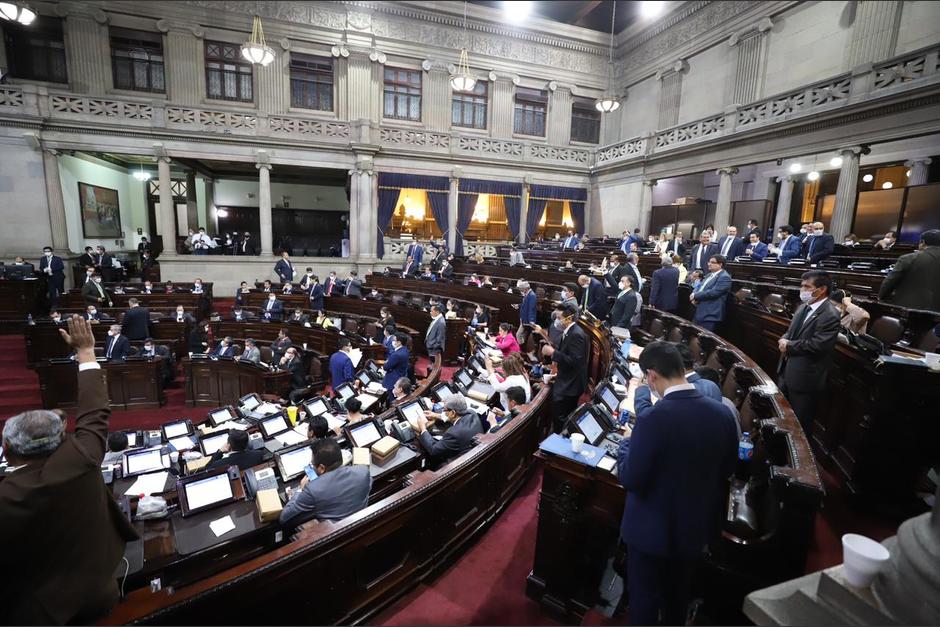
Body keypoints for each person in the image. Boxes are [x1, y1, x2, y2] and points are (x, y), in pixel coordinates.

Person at [0, 316, 138, 624]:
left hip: (41, 612)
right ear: (62, 437)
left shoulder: (8, 496)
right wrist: (86, 353)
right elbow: (94, 412)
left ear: (7, 450)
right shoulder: (81, 456)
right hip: (102, 588)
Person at [616, 341, 737, 626]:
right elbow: (728, 468)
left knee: (643, 601)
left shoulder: (653, 418)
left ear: (652, 375)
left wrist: (625, 446)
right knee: (677, 599)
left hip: (649, 531)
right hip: (693, 530)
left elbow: (632, 478)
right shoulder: (722, 413)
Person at [777, 270, 840, 437]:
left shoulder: (830, 314)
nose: (802, 289)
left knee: (799, 426)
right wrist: (784, 339)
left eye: (807, 286)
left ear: (822, 289)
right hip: (786, 371)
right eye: (801, 285)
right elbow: (790, 332)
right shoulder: (804, 307)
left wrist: (789, 345)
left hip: (805, 378)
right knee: (782, 418)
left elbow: (818, 345)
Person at [279, 438, 372, 528]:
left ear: (322, 468)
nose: (312, 467)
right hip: (362, 527)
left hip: (335, 535)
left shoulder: (313, 490)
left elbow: (284, 518)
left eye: (312, 464)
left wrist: (300, 490)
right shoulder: (363, 471)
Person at [542, 303, 588, 430]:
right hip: (567, 377)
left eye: (558, 317)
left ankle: (558, 439)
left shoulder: (576, 335)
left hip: (571, 384)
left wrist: (553, 353)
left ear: (569, 318)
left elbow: (575, 361)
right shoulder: (569, 331)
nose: (556, 320)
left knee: (561, 417)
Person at [878, 229, 940, 311]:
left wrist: (881, 297)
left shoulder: (909, 258)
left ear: (923, 242)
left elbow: (890, 281)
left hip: (910, 309)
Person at [416, 395, 485, 467]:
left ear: (453, 412)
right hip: (476, 455)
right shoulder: (472, 413)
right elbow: (453, 416)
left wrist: (423, 428)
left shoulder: (454, 433)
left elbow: (434, 450)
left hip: (461, 464)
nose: (443, 412)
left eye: (444, 410)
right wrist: (436, 415)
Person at [690, 255, 732, 332]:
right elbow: (699, 286)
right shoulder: (709, 275)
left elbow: (714, 293)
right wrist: (694, 294)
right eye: (709, 262)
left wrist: (695, 295)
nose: (709, 264)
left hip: (710, 314)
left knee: (703, 340)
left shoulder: (725, 277)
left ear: (720, 264)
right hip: (700, 311)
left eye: (712, 262)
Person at [515, 280, 537, 344]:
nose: (521, 291)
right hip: (523, 318)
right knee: (522, 335)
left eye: (522, 289)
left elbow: (531, 309)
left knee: (518, 334)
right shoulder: (527, 294)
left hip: (527, 320)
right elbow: (525, 304)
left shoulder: (532, 295)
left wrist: (531, 320)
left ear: (526, 289)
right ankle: (521, 347)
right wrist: (518, 305)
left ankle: (521, 347)